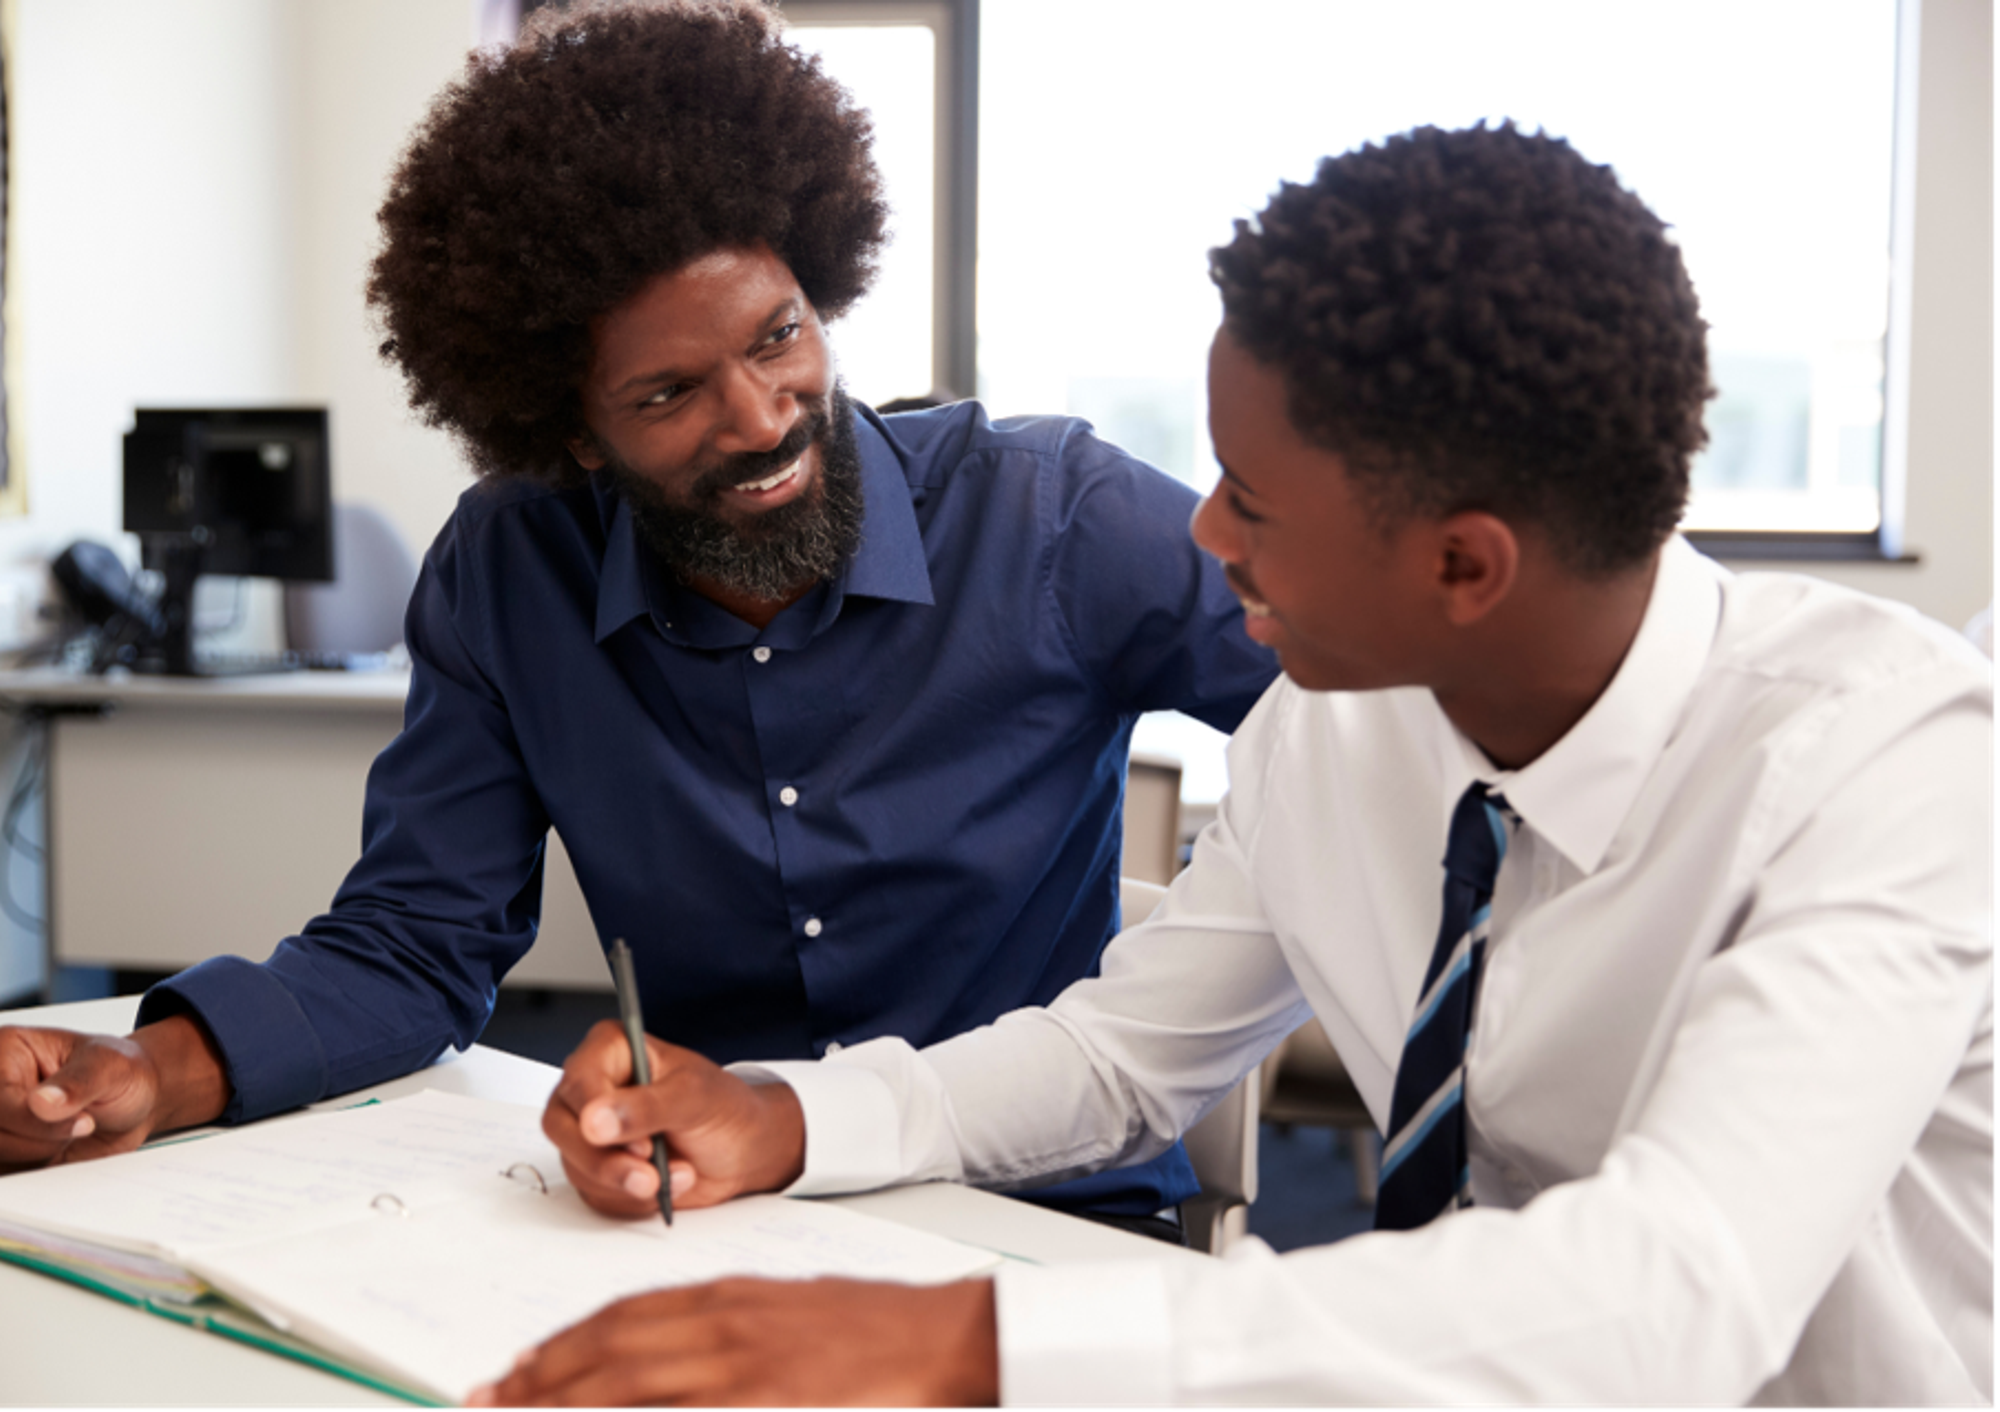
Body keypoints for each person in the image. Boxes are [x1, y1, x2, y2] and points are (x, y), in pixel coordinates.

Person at [476, 123, 1998, 1409]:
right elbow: (1122, 1059)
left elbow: (1677, 1294)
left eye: (1251, 500)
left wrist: (973, 1345)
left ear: (1464, 563)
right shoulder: (1340, 729)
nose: (1204, 537)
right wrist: (788, 1117)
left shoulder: (1888, 761)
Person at [0, 0, 1276, 1230]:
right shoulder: (510, 569)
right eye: (669, 393)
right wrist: (155, 1071)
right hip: (707, 1207)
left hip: (1042, 1214)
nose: (764, 414)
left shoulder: (1053, 517)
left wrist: (1215, 955)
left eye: (779, 334)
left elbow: (1372, 726)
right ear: (574, 433)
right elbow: (416, 938)